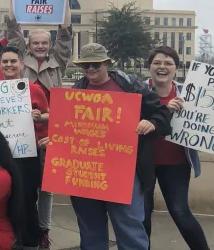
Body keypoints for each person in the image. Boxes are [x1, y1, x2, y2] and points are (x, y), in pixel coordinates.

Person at [68, 43, 171, 250]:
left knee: (129, 226)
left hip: (124, 170)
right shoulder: (76, 90)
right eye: (85, 65)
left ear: (106, 63)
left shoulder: (131, 85)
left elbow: (162, 114)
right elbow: (68, 129)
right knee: (90, 229)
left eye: (95, 63)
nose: (90, 69)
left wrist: (152, 123)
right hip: (86, 170)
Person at [3, 0, 73, 247]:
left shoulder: (59, 60)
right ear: (28, 47)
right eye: (36, 43)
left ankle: (43, 229)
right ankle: (20, 226)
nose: (41, 46)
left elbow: (66, 31)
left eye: (45, 43)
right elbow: (12, 27)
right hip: (21, 132)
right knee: (21, 185)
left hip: (50, 130)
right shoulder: (21, 61)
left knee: (48, 186)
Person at [142, 46, 209, 249]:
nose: (162, 67)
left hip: (176, 163)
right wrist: (164, 110)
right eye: (157, 63)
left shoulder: (191, 95)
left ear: (176, 68)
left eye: (168, 63)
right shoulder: (137, 92)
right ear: (149, 67)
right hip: (143, 164)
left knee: (180, 211)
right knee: (142, 214)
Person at [0, 46, 50, 250]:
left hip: (26, 153)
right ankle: (6, 238)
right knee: (1, 197)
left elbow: (48, 114)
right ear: (0, 65)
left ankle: (30, 241)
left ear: (21, 64)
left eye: (13, 61)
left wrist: (38, 116)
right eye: (5, 62)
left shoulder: (34, 89)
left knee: (27, 198)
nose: (9, 65)